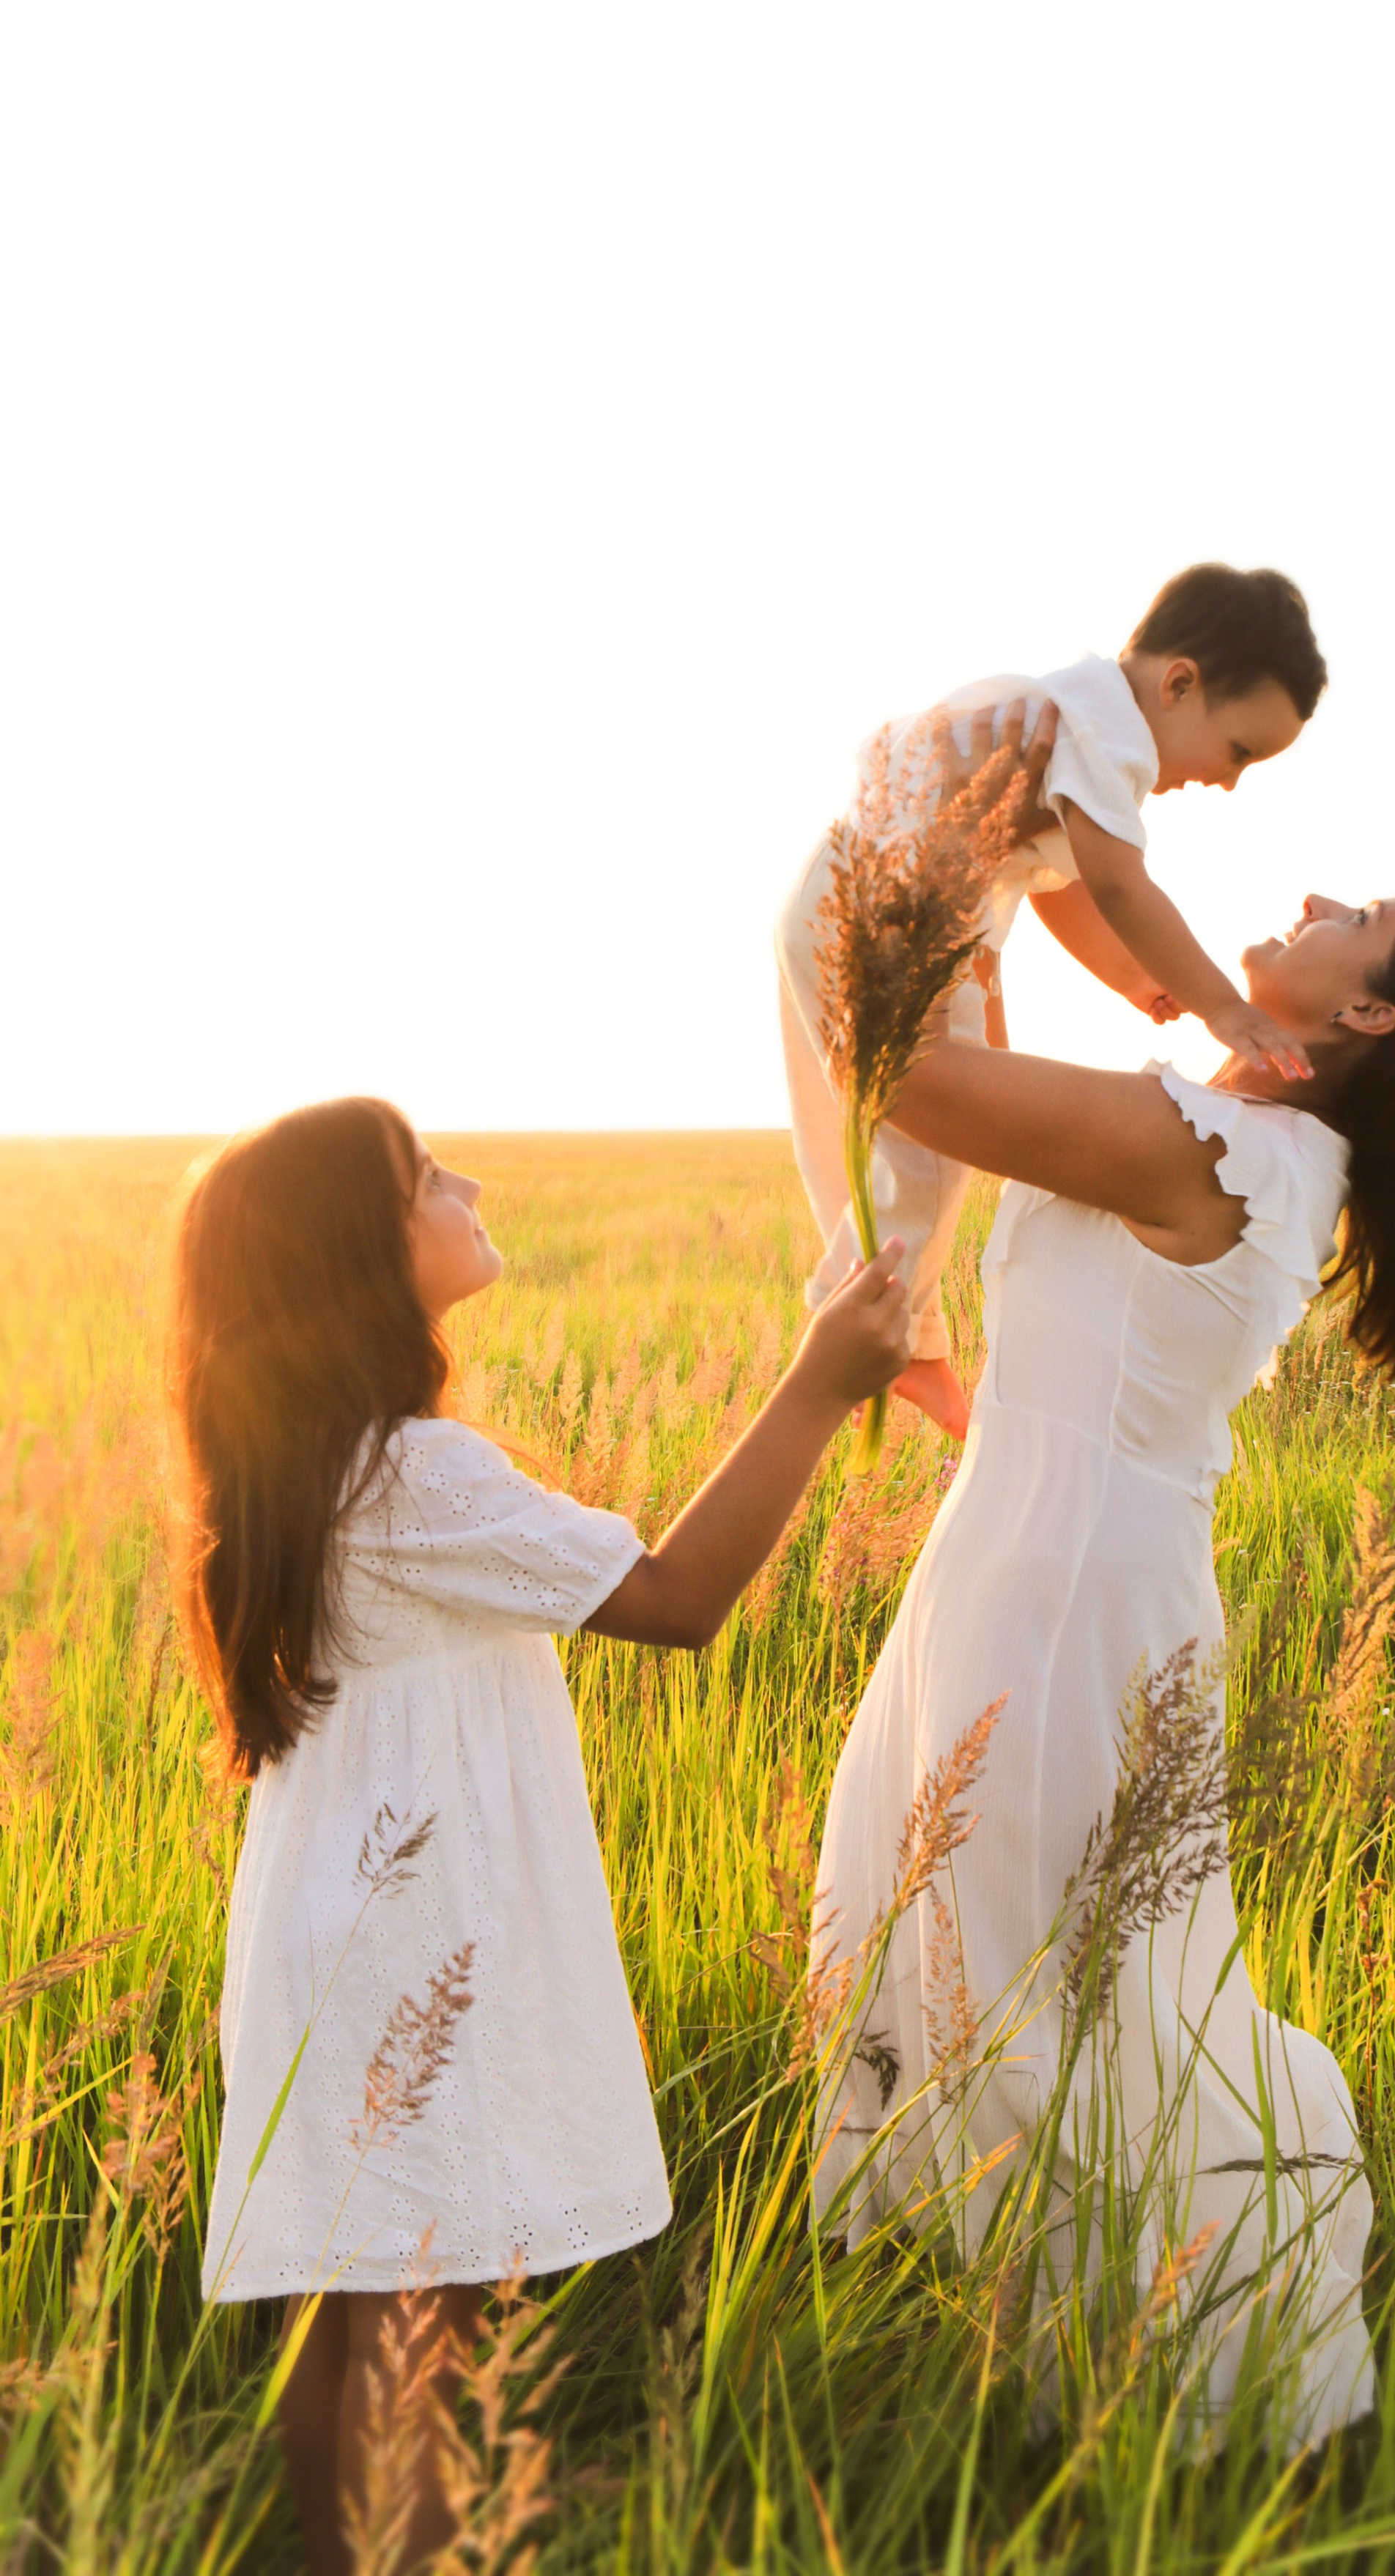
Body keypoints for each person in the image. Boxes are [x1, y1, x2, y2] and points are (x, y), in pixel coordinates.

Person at [810, 889, 1395, 2446]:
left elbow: (900, 1077)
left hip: (1059, 1598)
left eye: (1357, 915)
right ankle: (1013, 2361)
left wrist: (895, 864)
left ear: (1364, 1016)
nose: (1313, 899)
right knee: (999, 1954)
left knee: (1041, 1983)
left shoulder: (1227, 1151)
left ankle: (1118, 2391)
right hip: (1032, 1558)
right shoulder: (1223, 1131)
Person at [169, 1100, 907, 2576]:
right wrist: (819, 1381)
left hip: (347, 1924)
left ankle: (359, 2555)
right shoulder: (407, 1475)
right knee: (407, 2319)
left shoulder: (337, 1462)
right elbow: (677, 1596)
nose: (471, 1181)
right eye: (428, 1177)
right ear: (356, 1255)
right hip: (400, 1941)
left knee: (370, 2304)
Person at [775, 563, 1329, 1444]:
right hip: (890, 916)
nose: (1229, 782)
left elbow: (1057, 885)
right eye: (1239, 751)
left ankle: (890, 1322)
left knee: (878, 1138)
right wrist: (1222, 1007)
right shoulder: (1107, 734)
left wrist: (1129, 979)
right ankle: (873, 1330)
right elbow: (1115, 883)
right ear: (1179, 682)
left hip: (851, 891)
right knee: (929, 1155)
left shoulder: (1075, 720)